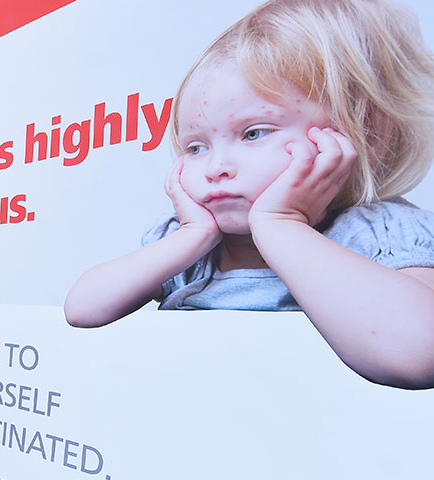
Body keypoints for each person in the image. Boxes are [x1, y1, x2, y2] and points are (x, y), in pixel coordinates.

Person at [64, 0, 434, 390]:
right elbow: (83, 309)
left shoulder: (378, 233)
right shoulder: (191, 248)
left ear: (364, 134)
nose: (216, 167)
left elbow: (417, 353)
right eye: (196, 147)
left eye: (254, 133)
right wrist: (193, 236)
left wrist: (281, 225)